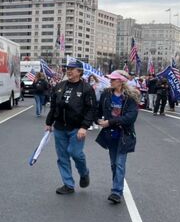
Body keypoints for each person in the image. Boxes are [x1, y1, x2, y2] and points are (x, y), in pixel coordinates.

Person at [45, 59, 96, 194]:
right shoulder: (60, 86)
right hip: (60, 127)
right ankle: (68, 184)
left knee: (75, 153)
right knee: (62, 156)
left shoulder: (86, 88)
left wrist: (84, 127)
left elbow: (91, 109)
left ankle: (84, 173)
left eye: (71, 69)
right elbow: (54, 105)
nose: (68, 71)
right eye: (67, 68)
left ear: (79, 72)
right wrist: (49, 122)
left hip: (77, 128)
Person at [96, 70, 139, 204]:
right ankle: (117, 186)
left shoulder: (130, 97)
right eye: (111, 79)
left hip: (124, 135)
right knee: (114, 164)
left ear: (121, 81)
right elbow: (99, 110)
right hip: (110, 134)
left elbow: (130, 117)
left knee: (119, 163)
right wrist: (97, 120)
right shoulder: (106, 94)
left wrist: (110, 122)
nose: (111, 81)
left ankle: (116, 191)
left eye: (113, 79)